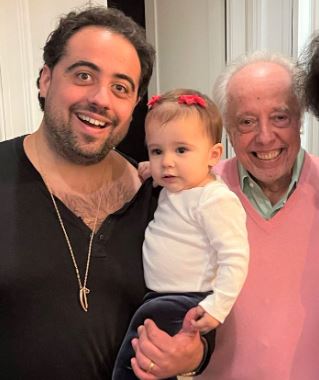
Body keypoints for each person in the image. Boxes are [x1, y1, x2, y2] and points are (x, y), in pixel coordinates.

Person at [0, 6, 212, 380]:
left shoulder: (161, 196)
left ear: (133, 106)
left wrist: (194, 357)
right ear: (46, 80)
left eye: (120, 87)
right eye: (83, 75)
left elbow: (198, 306)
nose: (101, 99)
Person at [197, 51, 319, 380]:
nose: (265, 137)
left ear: (300, 120)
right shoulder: (198, 196)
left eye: (280, 117)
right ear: (228, 132)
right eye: (247, 122)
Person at [112, 89, 249, 379]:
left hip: (186, 298)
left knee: (134, 359)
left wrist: (217, 307)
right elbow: (165, 170)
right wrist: (152, 169)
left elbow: (235, 258)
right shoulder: (177, 187)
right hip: (160, 294)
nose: (168, 162)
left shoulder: (213, 199)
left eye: (181, 150)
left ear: (213, 155)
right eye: (157, 151)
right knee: (159, 362)